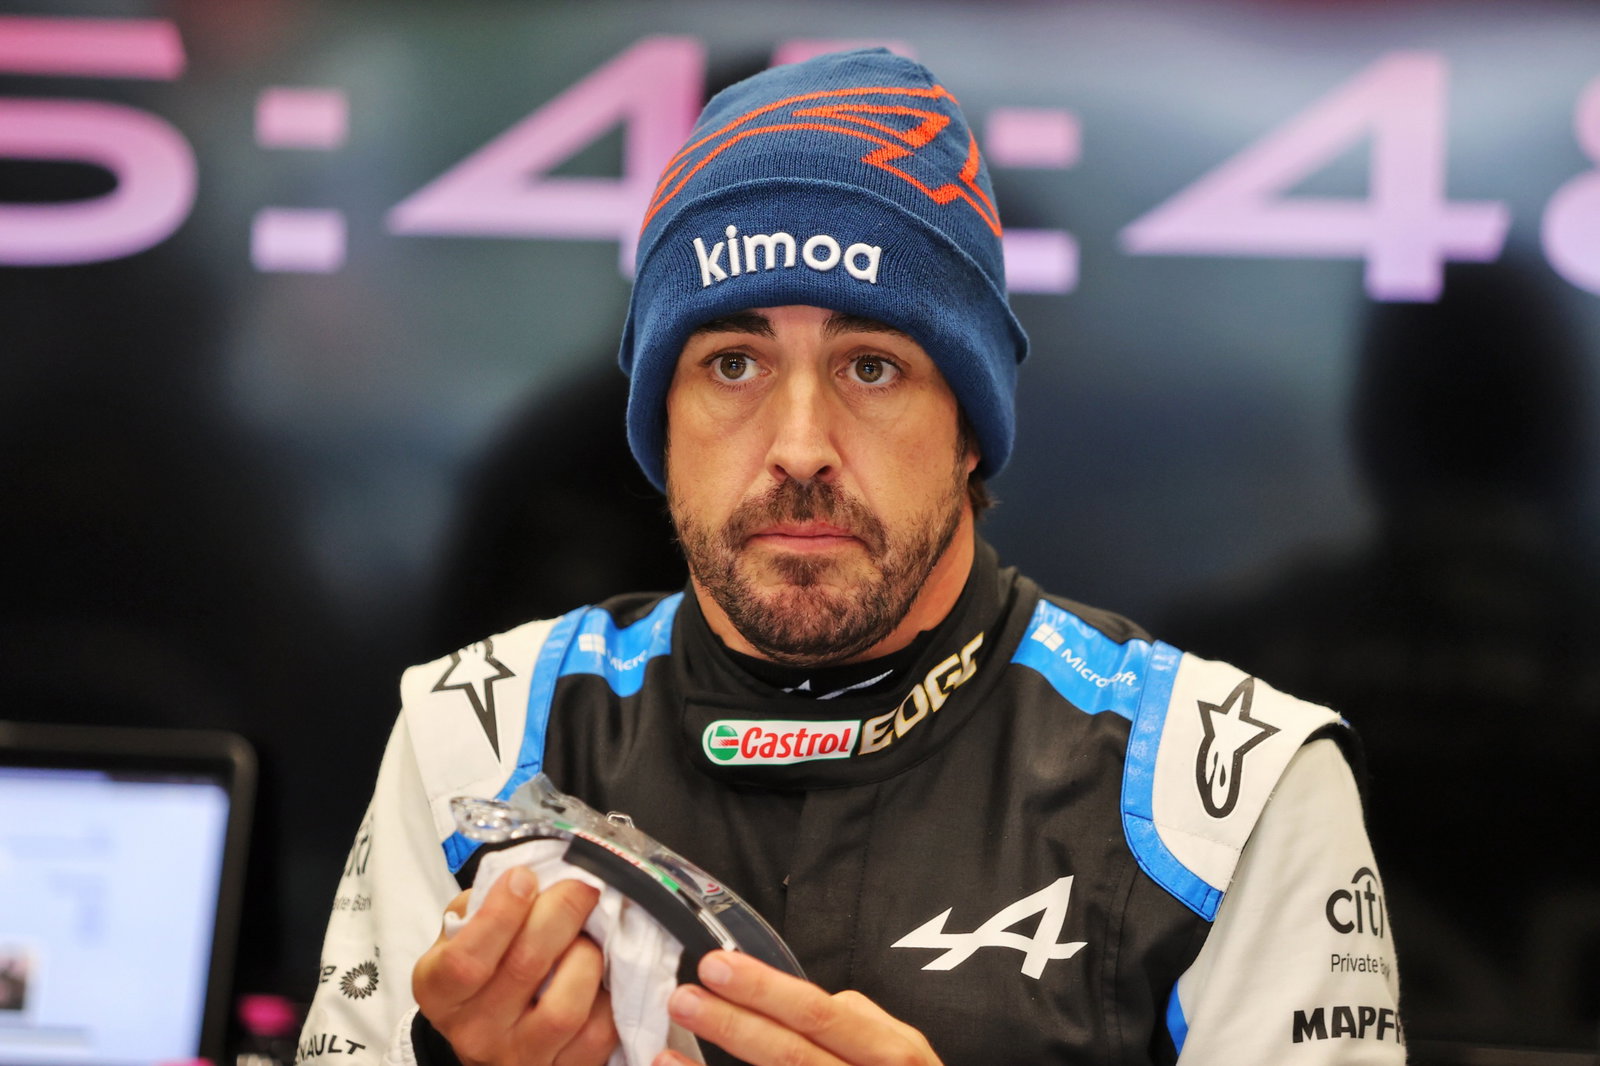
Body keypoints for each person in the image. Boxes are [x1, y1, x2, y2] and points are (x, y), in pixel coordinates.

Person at [299, 50, 1402, 1066]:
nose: (797, 449)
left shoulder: (1231, 790)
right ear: (656, 421)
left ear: (969, 424)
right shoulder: (474, 741)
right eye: (732, 363)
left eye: (870, 367)